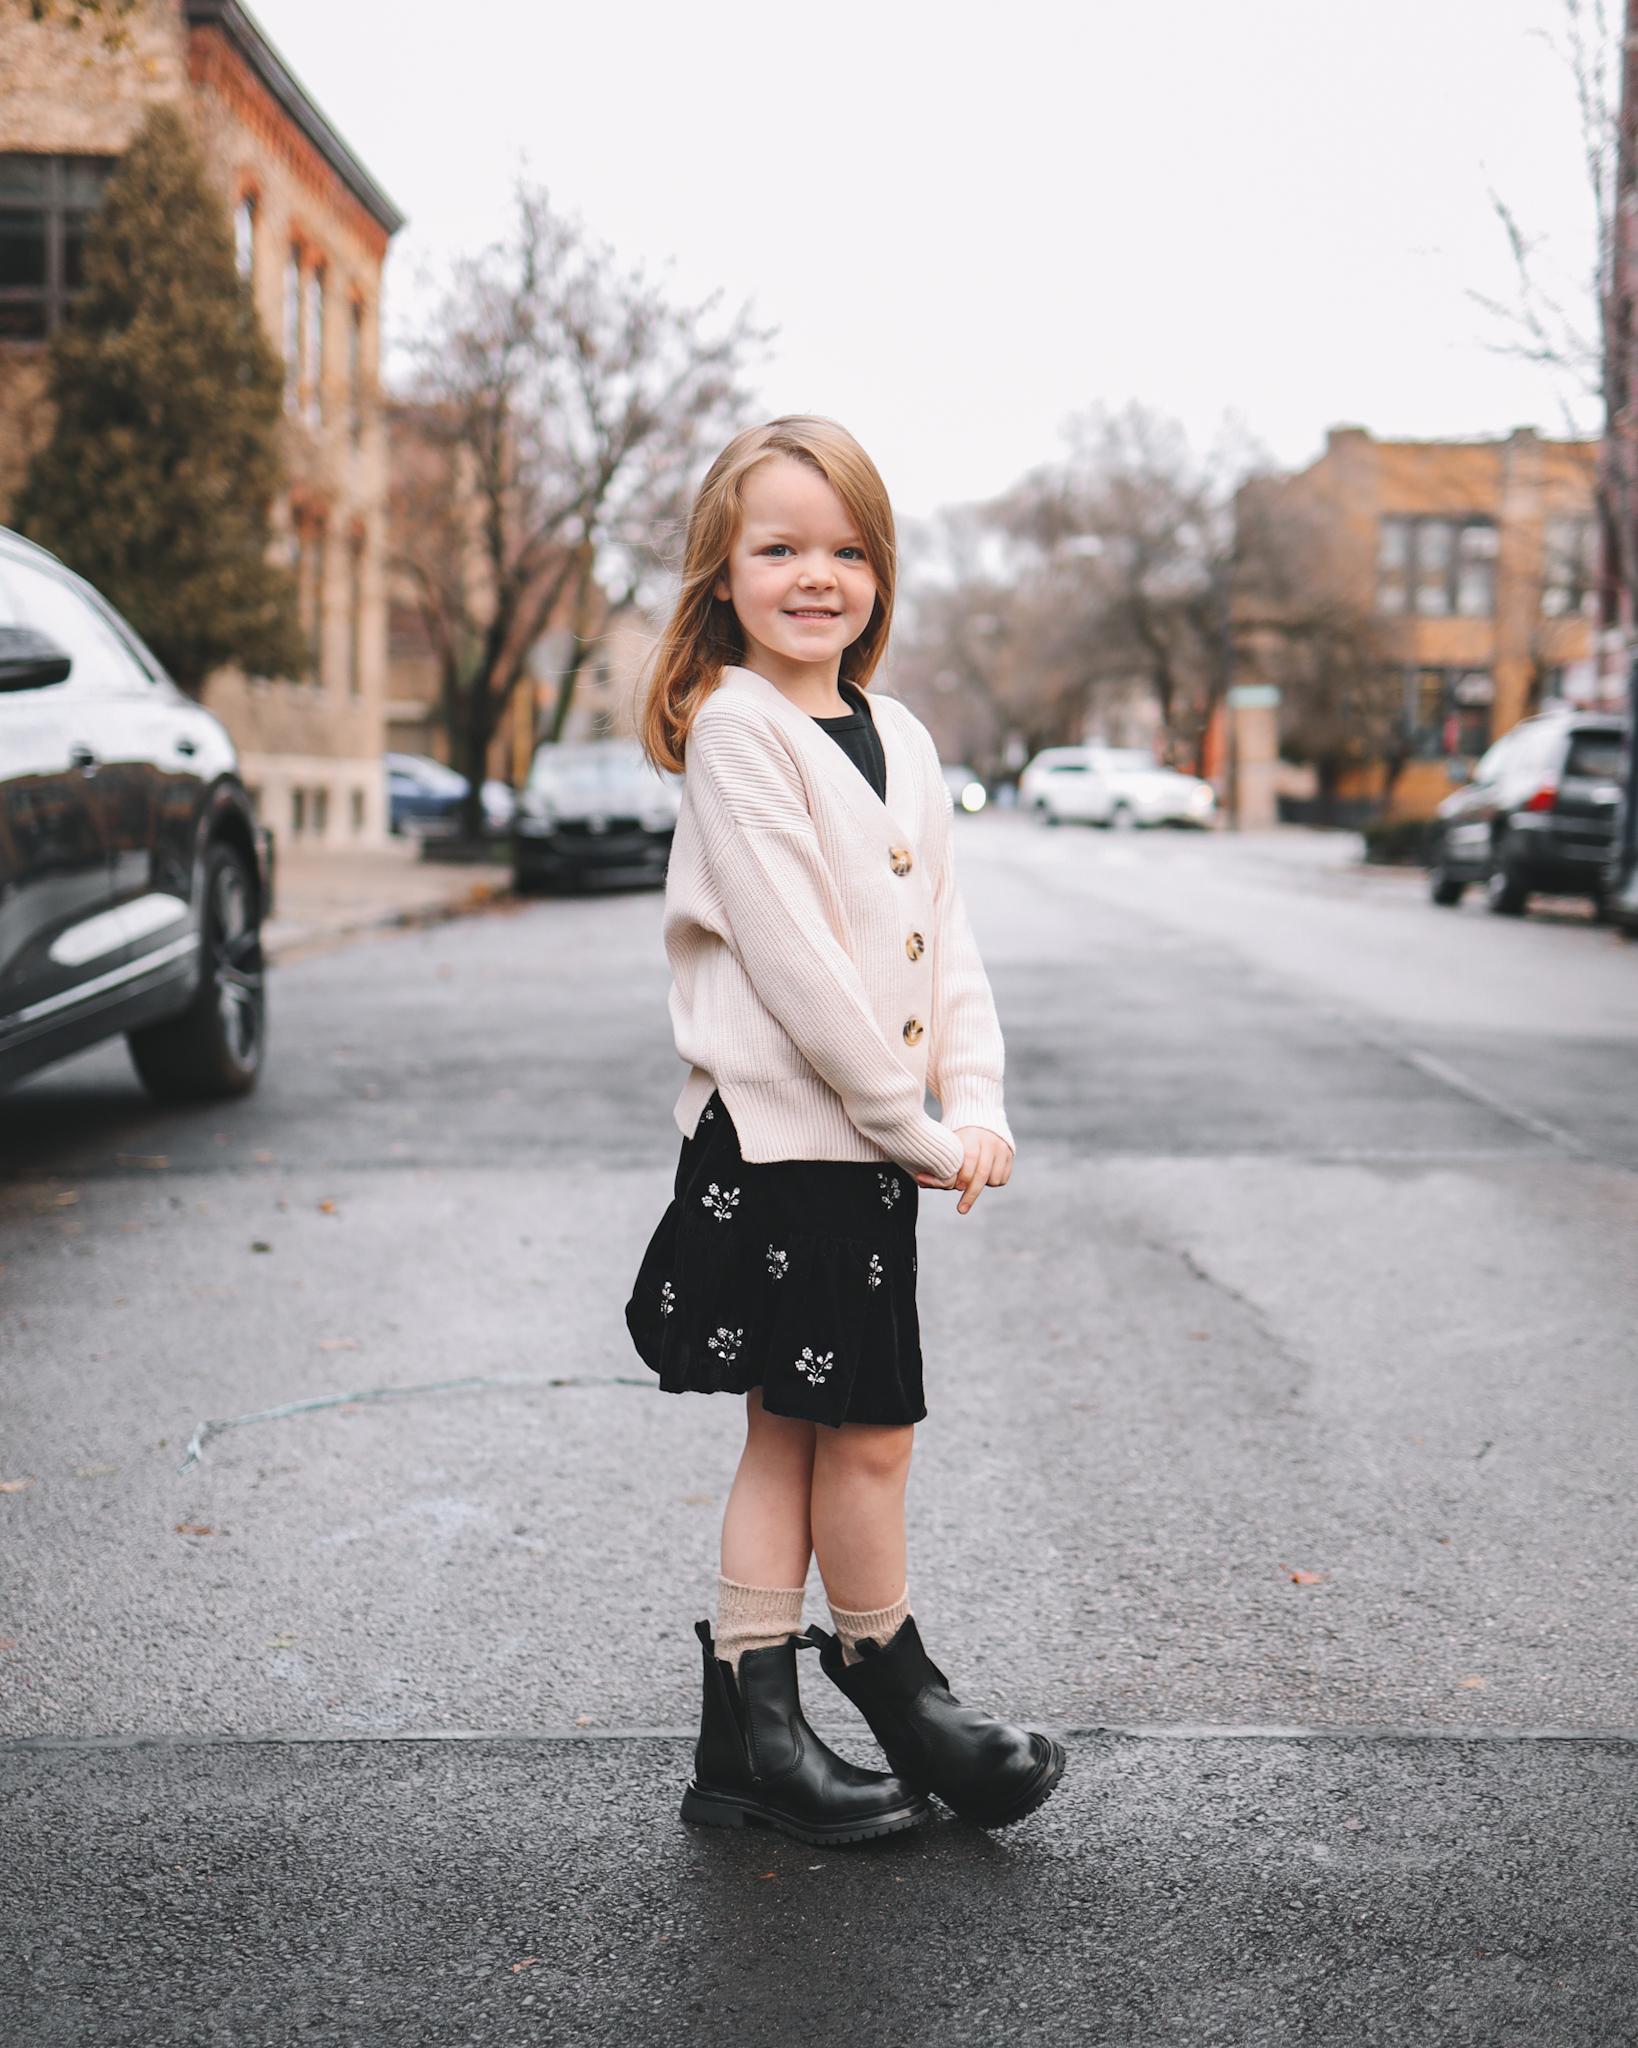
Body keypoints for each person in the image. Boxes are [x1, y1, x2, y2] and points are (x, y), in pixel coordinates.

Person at [625, 415, 1065, 1845]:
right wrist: (915, 1130)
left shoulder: (902, 737)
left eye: (844, 549)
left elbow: (946, 948)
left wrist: (977, 1097)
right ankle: (892, 1687)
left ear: (879, 570)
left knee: (805, 1435)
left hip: (857, 1152)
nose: (815, 576)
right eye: (778, 548)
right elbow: (804, 975)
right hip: (782, 1147)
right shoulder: (740, 730)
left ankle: (748, 1741)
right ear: (722, 573)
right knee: (858, 1437)